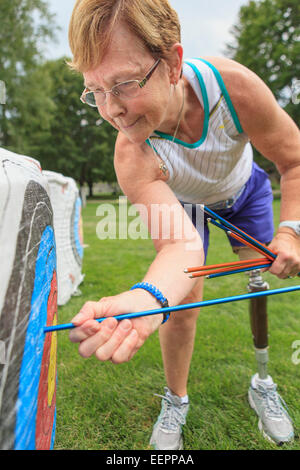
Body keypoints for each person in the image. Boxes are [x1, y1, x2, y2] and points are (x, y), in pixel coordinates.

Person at [67, 0, 300, 450]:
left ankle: (263, 382)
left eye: (125, 84)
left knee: (261, 281)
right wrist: (147, 298)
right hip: (187, 205)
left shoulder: (233, 88)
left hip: (244, 191)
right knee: (183, 304)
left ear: (172, 63)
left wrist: (290, 230)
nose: (111, 110)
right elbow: (180, 248)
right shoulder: (132, 155)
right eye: (94, 90)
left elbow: (293, 160)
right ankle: (176, 398)